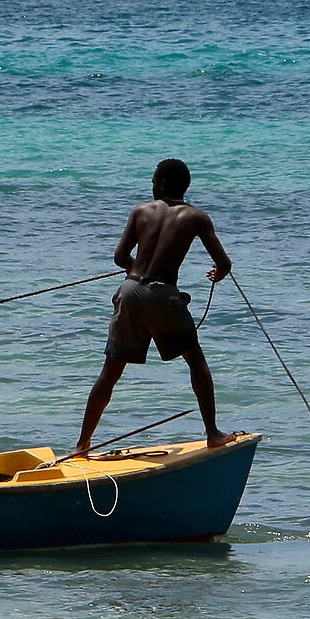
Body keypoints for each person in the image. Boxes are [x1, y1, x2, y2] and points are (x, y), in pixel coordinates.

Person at [73, 159, 243, 456]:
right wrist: (218, 274)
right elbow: (224, 263)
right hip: (162, 293)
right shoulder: (196, 217)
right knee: (195, 359)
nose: (152, 186)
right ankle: (213, 433)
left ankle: (81, 445)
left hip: (129, 290)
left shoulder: (140, 211)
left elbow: (120, 256)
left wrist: (137, 272)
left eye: (154, 181)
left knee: (110, 371)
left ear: (163, 183)